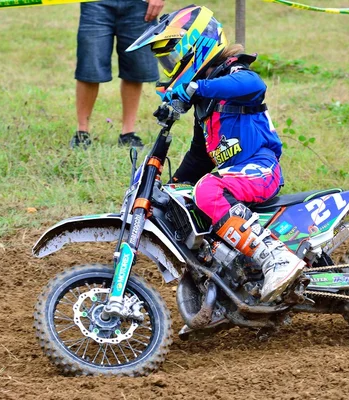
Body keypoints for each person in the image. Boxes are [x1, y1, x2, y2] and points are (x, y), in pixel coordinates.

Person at [128, 5, 305, 302]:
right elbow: (199, 157)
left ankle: (276, 257)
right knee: (182, 200)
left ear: (195, 45)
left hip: (260, 168)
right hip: (236, 176)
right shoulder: (205, 106)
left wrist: (197, 86)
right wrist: (170, 189)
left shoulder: (234, 74)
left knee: (208, 189)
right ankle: (221, 289)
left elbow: (254, 84)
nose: (169, 66)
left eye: (171, 56)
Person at [69, 0, 165, 149]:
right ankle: (82, 133)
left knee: (135, 67)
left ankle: (128, 133)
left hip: (140, 4)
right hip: (95, 3)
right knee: (90, 65)